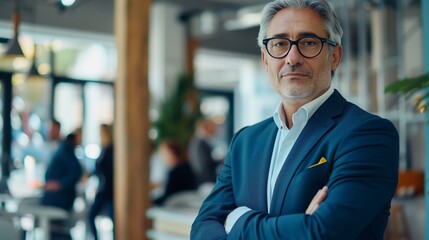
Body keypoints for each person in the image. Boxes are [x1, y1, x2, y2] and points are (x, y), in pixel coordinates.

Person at [191, 0, 399, 239]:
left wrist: (238, 219)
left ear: (335, 56)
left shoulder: (368, 134)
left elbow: (321, 232)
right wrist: (297, 226)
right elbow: (201, 229)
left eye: (308, 43)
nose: (292, 57)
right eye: (279, 44)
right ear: (265, 59)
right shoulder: (245, 142)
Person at [41, 127, 84, 239]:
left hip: (59, 199)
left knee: (57, 229)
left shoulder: (65, 149)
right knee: (56, 229)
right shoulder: (63, 148)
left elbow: (77, 171)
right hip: (57, 198)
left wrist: (60, 184)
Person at [87, 124, 115, 240]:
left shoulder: (111, 150)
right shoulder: (103, 149)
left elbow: (109, 172)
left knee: (114, 220)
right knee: (91, 216)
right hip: (103, 190)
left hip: (109, 191)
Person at [153, 139, 197, 206]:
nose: (163, 157)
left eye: (164, 153)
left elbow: (167, 197)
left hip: (176, 207)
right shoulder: (188, 167)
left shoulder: (175, 172)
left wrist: (150, 201)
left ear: (172, 153)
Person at [188, 118, 219, 186]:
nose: (216, 129)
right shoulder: (201, 143)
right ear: (207, 127)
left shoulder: (197, 141)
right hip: (206, 182)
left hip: (203, 181)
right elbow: (206, 164)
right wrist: (220, 161)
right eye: (213, 127)